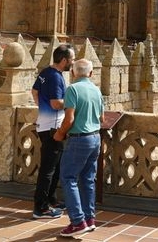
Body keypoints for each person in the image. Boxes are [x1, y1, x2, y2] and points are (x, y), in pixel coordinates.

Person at [54, 57, 104, 238]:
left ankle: (77, 222)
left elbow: (69, 119)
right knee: (88, 179)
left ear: (73, 73)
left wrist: (60, 133)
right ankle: (90, 220)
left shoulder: (73, 89)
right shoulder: (96, 90)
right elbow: (102, 119)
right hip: (95, 138)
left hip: (79, 139)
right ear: (91, 73)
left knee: (68, 178)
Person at [31, 43, 75, 220]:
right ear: (64, 60)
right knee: (48, 170)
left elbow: (34, 91)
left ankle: (51, 200)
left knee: (55, 166)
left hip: (45, 124)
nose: (72, 62)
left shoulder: (45, 72)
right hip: (52, 128)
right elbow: (56, 103)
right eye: (71, 59)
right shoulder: (56, 77)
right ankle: (40, 208)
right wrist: (73, 102)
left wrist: (41, 107)